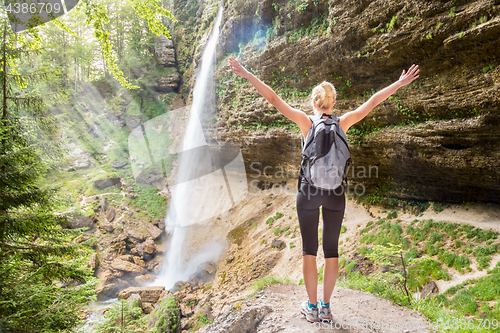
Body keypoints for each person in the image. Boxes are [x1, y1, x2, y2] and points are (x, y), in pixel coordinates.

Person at [229, 57, 419, 322]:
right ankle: (326, 307)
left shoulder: (306, 122)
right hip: (335, 194)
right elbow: (374, 101)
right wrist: (399, 83)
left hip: (308, 192)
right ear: (333, 103)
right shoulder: (343, 123)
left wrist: (248, 74)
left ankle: (311, 308)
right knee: (331, 251)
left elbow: (273, 99)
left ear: (315, 103)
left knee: (309, 249)